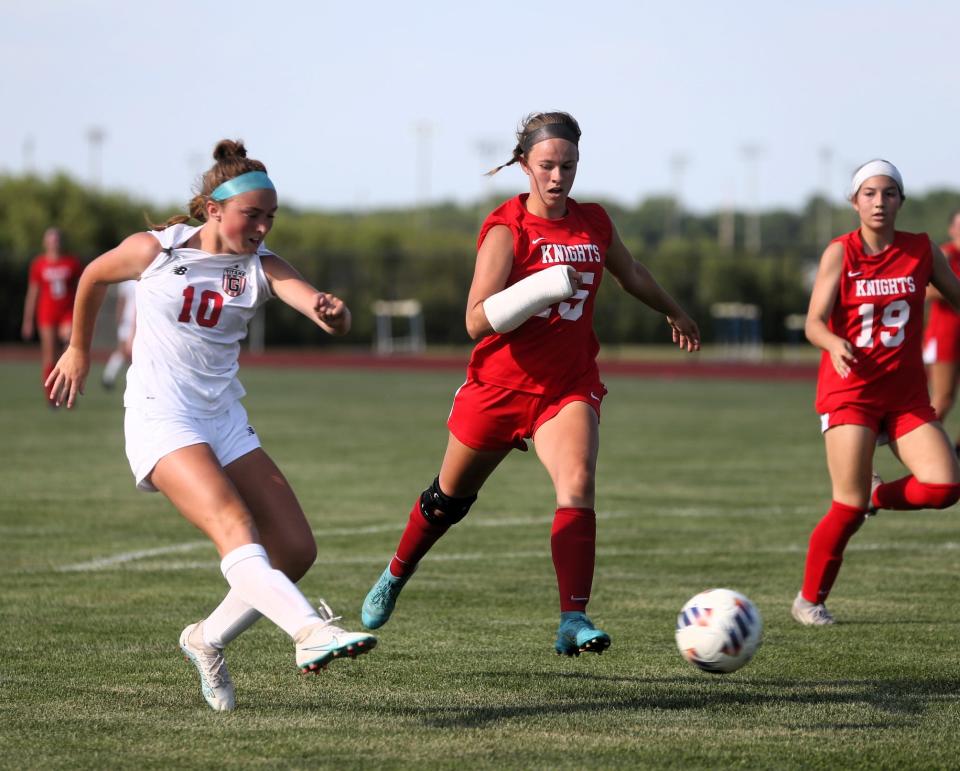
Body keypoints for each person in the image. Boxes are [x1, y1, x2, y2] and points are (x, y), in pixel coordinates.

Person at [46, 140, 376, 711]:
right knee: (234, 523)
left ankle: (206, 639)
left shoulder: (262, 267)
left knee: (295, 550)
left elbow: (327, 315)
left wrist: (334, 312)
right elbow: (94, 277)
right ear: (213, 209)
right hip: (161, 415)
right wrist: (78, 348)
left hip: (223, 419)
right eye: (254, 214)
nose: (264, 227)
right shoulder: (155, 250)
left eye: (272, 216)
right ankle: (309, 633)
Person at [359, 112, 700, 656]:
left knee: (578, 482)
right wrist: (539, 288)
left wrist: (675, 311)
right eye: (546, 165)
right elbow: (475, 321)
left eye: (568, 166)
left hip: (566, 387)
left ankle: (573, 618)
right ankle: (396, 572)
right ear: (524, 165)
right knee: (448, 499)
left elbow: (630, 271)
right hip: (498, 387)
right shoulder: (505, 227)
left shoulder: (594, 221)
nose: (558, 176)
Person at [794, 160, 960, 626]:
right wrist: (833, 342)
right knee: (846, 504)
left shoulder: (922, 250)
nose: (879, 201)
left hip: (906, 396)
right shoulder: (840, 252)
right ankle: (809, 600)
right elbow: (813, 322)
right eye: (869, 193)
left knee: (946, 486)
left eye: (888, 193)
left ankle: (879, 496)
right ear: (854, 201)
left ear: (901, 201)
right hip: (851, 392)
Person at [21, 228, 83, 392]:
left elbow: (81, 289)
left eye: (56, 239)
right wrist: (27, 320)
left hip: (67, 313)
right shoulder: (39, 264)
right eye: (50, 239)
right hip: (47, 314)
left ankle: (68, 390)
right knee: (50, 356)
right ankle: (51, 395)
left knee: (68, 350)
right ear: (45, 243)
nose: (54, 243)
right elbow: (33, 292)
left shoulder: (72, 262)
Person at [922, 209, 960, 450]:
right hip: (946, 334)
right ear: (952, 229)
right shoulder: (946, 254)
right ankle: (924, 449)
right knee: (943, 397)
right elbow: (925, 290)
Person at [102, 279, 137, 389]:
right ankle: (108, 377)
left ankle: (110, 377)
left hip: (142, 320)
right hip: (127, 320)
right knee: (123, 350)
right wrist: (119, 316)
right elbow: (122, 300)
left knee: (137, 352)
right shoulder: (127, 280)